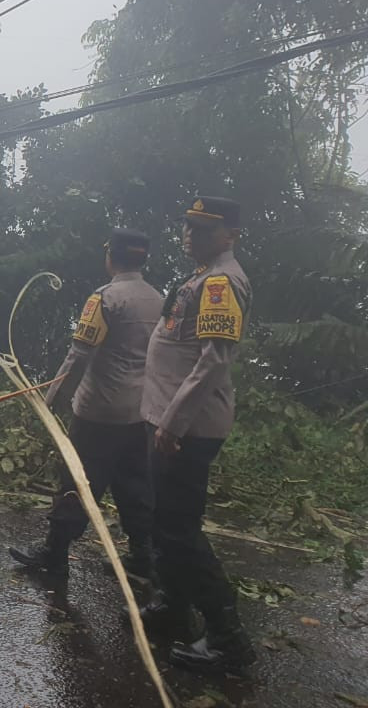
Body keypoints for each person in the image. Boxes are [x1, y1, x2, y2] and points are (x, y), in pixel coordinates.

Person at [140, 196, 255, 673]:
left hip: (185, 426)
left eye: (205, 229)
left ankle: (229, 639)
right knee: (166, 521)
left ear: (230, 234)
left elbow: (214, 361)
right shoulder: (203, 276)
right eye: (188, 226)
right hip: (172, 420)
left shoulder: (220, 283)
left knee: (180, 529)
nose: (192, 234)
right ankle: (173, 605)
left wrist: (172, 421)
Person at [10, 227, 163, 577]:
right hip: (140, 412)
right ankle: (143, 555)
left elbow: (79, 355)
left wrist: (47, 400)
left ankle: (54, 552)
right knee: (135, 485)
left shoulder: (104, 298)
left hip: (99, 412)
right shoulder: (158, 299)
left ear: (111, 257)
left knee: (77, 481)